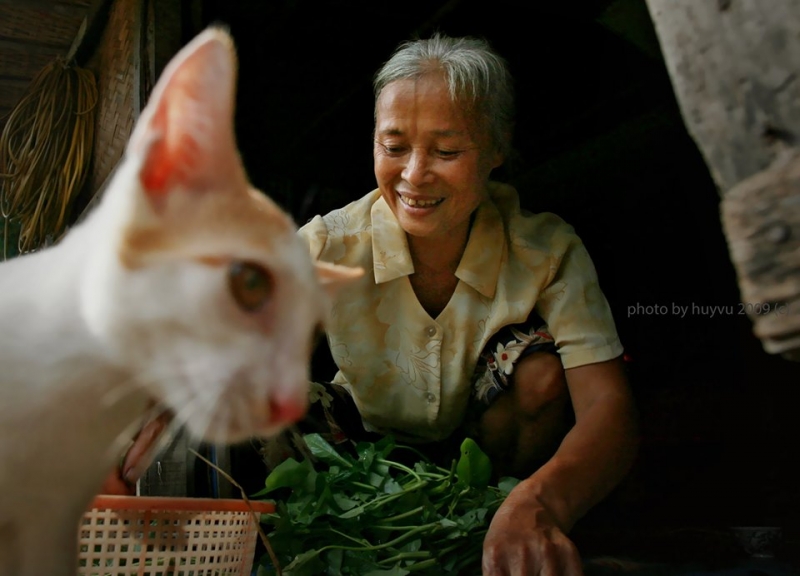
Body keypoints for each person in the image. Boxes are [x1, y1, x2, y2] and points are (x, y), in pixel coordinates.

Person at [296, 34, 639, 575]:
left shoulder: (546, 250)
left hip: (491, 460)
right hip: (357, 454)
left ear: (496, 149)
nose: (413, 175)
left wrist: (538, 505)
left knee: (542, 373)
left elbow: (608, 410)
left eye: (447, 151)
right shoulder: (326, 244)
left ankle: (494, 524)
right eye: (393, 146)